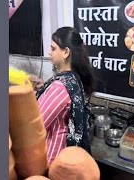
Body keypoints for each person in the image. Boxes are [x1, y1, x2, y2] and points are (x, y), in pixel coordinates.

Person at [35, 27, 95, 164]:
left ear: (66, 52)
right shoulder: (75, 77)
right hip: (67, 153)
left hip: (53, 158)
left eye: (53, 49)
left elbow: (36, 127)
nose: (50, 53)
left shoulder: (59, 87)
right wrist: (44, 88)